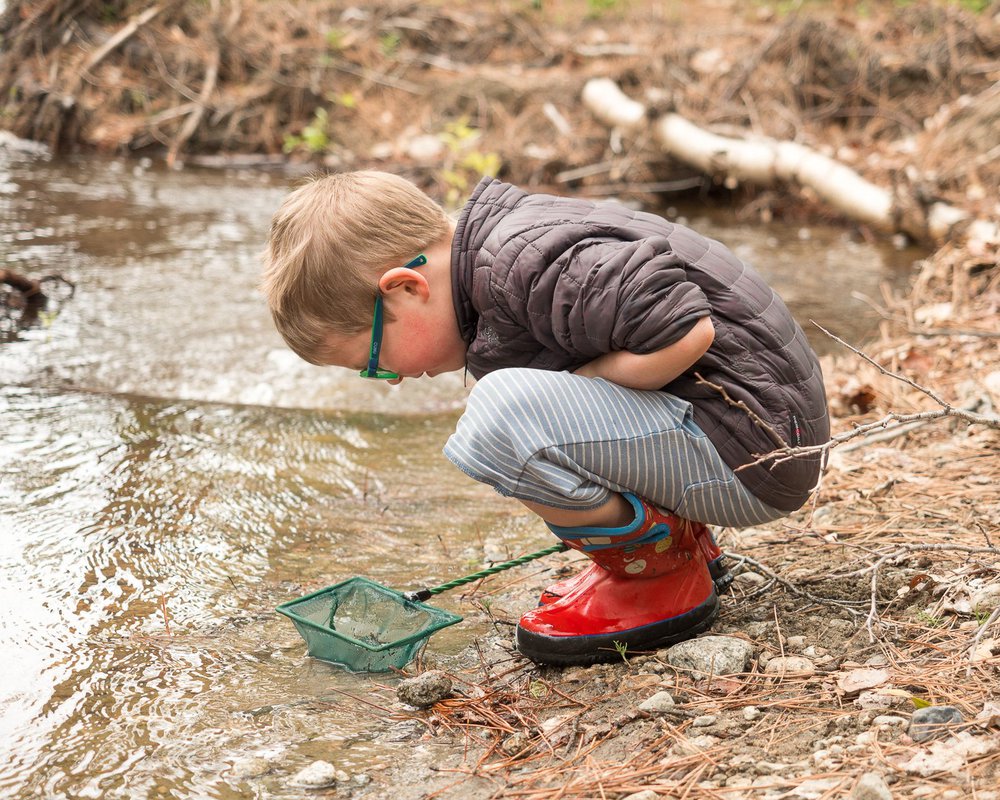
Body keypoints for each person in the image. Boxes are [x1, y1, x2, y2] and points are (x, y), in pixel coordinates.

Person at [261, 170, 830, 666]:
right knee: (520, 406)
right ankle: (676, 545)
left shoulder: (522, 263)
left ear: (407, 288)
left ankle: (656, 575)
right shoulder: (502, 258)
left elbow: (687, 329)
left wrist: (573, 391)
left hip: (756, 456)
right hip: (753, 438)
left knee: (499, 418)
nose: (391, 382)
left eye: (375, 363)